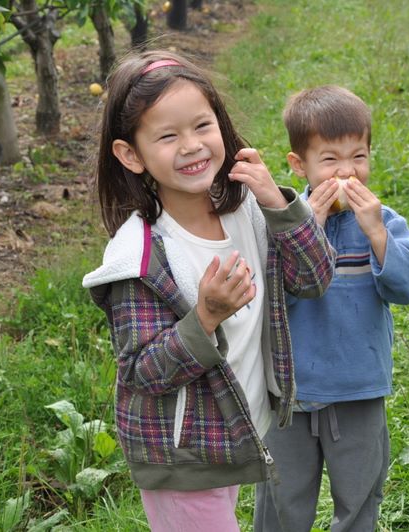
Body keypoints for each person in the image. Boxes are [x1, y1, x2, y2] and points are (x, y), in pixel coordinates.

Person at [81, 50, 335, 531]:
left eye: (202, 126)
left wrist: (279, 204)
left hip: (230, 435)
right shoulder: (141, 257)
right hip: (184, 457)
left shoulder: (247, 211)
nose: (192, 145)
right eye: (168, 136)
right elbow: (141, 369)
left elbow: (314, 278)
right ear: (131, 155)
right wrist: (205, 317)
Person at [254, 85, 409, 531]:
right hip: (290, 394)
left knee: (359, 499)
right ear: (300, 165)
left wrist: (378, 235)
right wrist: (305, 234)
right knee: (281, 502)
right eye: (331, 159)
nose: (348, 171)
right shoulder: (282, 227)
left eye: (359, 157)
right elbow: (269, 300)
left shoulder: (382, 220)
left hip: (358, 390)